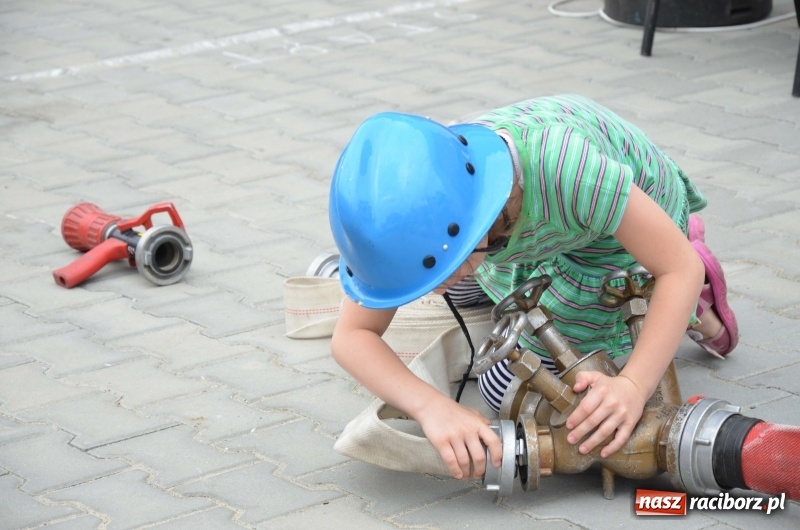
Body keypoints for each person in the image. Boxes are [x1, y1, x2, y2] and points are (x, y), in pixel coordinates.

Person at [328, 94, 738, 481]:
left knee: (505, 388)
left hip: (610, 234)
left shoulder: (571, 174)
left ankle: (683, 284)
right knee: (465, 294)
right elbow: (351, 336)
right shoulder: (444, 194)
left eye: (445, 272)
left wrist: (632, 386)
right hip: (540, 231)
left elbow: (677, 267)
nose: (436, 293)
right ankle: (652, 250)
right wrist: (431, 407)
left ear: (473, 225)